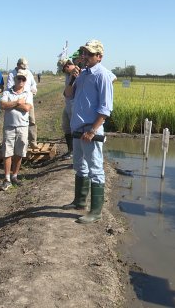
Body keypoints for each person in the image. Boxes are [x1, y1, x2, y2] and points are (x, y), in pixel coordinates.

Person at [62, 39, 114, 224]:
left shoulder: (103, 75)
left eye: (89, 54)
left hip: (91, 131)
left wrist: (92, 130)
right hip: (78, 128)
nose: (84, 56)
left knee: (95, 168)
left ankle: (96, 211)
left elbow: (105, 108)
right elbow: (68, 94)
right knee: (80, 166)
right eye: (83, 53)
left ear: (99, 57)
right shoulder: (82, 74)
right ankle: (79, 201)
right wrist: (74, 77)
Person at [0, 68, 33, 191]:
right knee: (7, 152)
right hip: (9, 126)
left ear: (25, 81)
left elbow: (27, 108)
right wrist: (18, 102)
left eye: (23, 79)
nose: (20, 81)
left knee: (19, 152)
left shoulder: (28, 93)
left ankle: (15, 176)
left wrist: (13, 104)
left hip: (23, 126)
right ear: (15, 79)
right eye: (19, 78)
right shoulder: (7, 92)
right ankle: (7, 178)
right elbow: (2, 105)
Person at [6, 58, 40, 150]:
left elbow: (33, 84)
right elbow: (9, 87)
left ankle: (33, 142)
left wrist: (34, 90)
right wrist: (17, 101)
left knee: (32, 121)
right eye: (22, 67)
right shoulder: (12, 74)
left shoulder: (28, 73)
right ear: (17, 65)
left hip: (28, 100)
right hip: (16, 100)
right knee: (16, 120)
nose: (24, 69)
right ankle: (16, 142)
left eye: (25, 67)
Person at [57, 58, 79, 160]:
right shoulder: (68, 74)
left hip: (75, 106)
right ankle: (70, 150)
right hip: (68, 104)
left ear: (67, 66)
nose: (64, 72)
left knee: (73, 128)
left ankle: (75, 152)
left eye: (63, 69)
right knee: (66, 126)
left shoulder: (78, 73)